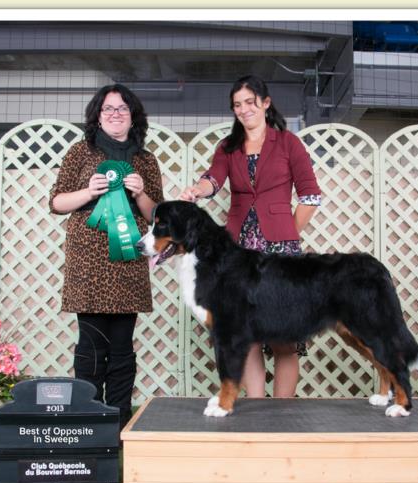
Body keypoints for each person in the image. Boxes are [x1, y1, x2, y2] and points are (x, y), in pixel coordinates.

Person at [179, 75, 321, 398]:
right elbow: (213, 179)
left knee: (285, 338)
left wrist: (287, 233)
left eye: (249, 102)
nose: (243, 110)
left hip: (281, 256)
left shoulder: (288, 143)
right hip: (238, 254)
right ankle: (258, 410)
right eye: (237, 105)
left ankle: (281, 413)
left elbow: (311, 196)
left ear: (265, 103)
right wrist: (197, 190)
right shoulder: (227, 148)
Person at [49, 84, 164, 429]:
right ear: (97, 117)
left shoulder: (146, 159)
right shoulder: (79, 152)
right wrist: (88, 191)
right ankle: (88, 423)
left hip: (127, 259)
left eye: (122, 108)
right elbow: (55, 203)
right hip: (89, 261)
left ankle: (118, 424)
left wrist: (141, 192)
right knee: (91, 345)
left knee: (122, 348)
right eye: (108, 108)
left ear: (133, 117)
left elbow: (156, 213)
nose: (115, 114)